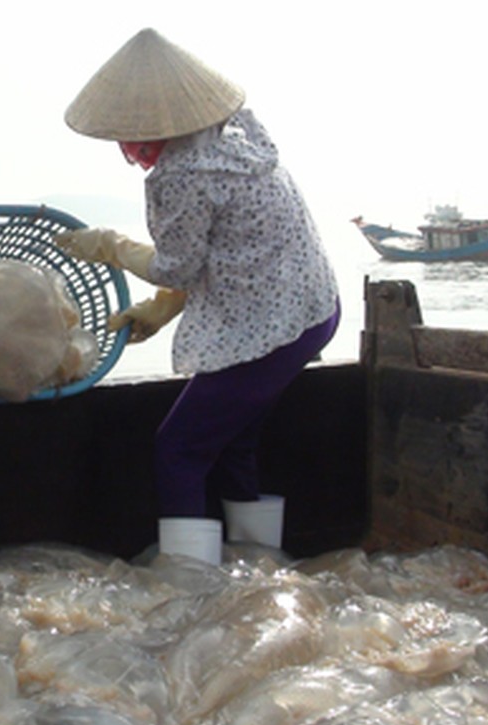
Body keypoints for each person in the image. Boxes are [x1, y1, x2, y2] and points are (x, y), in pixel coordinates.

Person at [56, 28, 340, 560]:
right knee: (234, 439)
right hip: (312, 307)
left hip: (270, 326)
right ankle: (258, 568)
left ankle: (189, 591)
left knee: (179, 448)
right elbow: (227, 247)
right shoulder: (241, 134)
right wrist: (164, 309)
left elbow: (177, 265)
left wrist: (113, 247)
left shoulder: (182, 173)